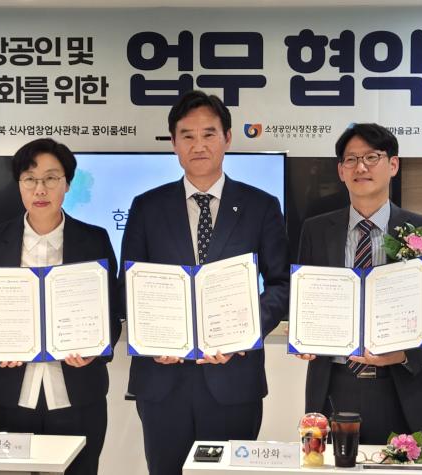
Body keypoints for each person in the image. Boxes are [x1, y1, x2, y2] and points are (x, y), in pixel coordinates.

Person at [120, 90, 290, 475]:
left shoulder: (261, 206)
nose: (198, 145)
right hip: (163, 379)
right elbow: (128, 284)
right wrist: (153, 339)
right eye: (188, 135)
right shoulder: (147, 206)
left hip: (234, 378)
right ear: (174, 143)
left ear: (227, 138)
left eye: (209, 134)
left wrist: (244, 332)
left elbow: (281, 284)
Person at [297, 123, 422, 444]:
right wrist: (304, 333)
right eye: (351, 159)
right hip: (334, 384)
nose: (361, 167)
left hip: (402, 387)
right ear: (341, 171)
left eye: (372, 157)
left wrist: (404, 354)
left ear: (393, 165)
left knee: (400, 466)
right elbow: (304, 299)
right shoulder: (315, 230)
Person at [0, 138, 121, 475]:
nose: (40, 189)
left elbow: (112, 312)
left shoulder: (95, 240)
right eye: (30, 179)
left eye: (51, 178)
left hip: (78, 393)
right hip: (10, 394)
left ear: (67, 184)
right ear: (19, 185)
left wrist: (96, 349)